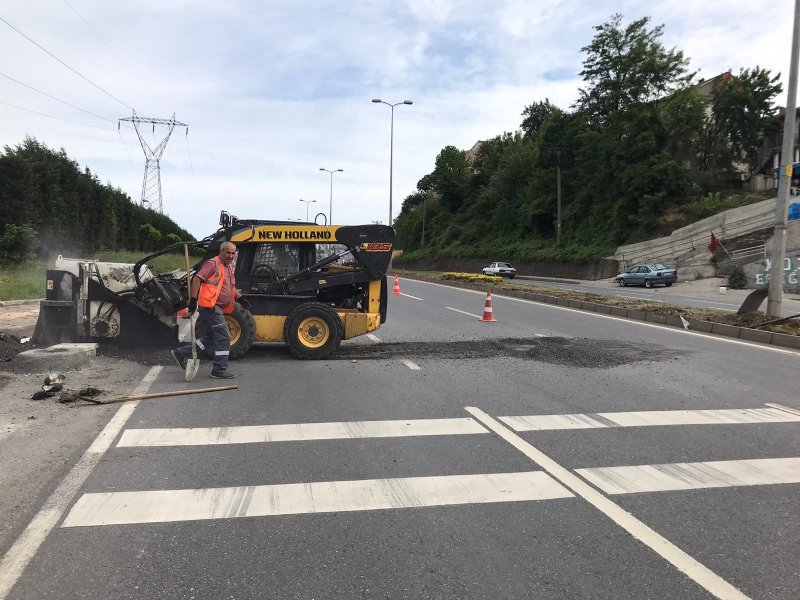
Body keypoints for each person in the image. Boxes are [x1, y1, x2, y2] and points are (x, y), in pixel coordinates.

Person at [171, 241, 250, 379]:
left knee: (209, 338)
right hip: (211, 307)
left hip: (218, 307)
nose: (231, 256)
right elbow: (197, 279)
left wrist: (241, 298)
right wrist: (194, 301)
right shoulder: (213, 263)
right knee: (224, 337)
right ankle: (219, 370)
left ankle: (181, 352)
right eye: (228, 253)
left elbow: (230, 287)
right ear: (221, 252)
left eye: (233, 253)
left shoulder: (228, 266)